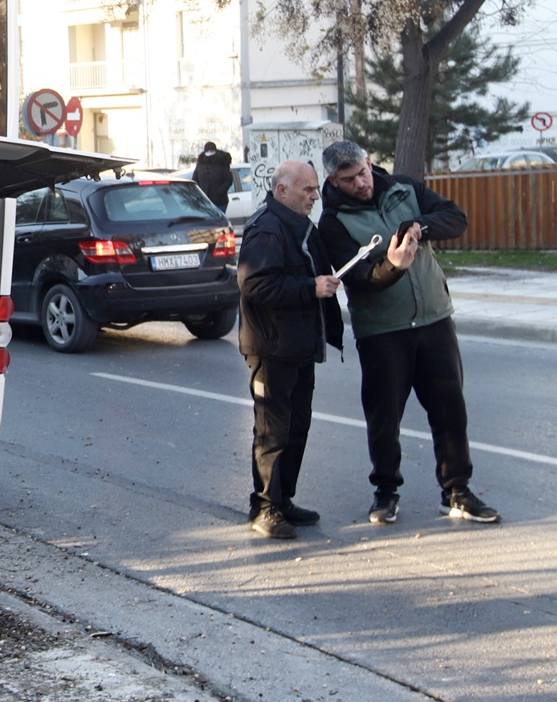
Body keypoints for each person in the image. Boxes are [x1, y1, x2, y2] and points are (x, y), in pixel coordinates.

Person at [317, 140, 499, 525]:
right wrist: (395, 265)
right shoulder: (333, 222)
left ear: (369, 162)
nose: (361, 184)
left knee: (450, 410)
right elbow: (362, 280)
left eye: (363, 173)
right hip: (383, 331)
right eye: (349, 180)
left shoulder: (405, 189)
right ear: (333, 180)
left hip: (434, 319)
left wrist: (421, 226)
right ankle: (385, 492)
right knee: (385, 417)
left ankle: (457, 491)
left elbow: (456, 217)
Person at [237, 160, 343, 539]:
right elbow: (255, 285)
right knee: (273, 432)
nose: (315, 196)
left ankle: (283, 500)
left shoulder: (299, 224)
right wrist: (309, 288)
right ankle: (264, 507)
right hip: (272, 349)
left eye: (315, 189)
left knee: (297, 427)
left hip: (298, 345)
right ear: (282, 191)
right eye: (308, 190)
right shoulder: (267, 228)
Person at [195, 141, 235, 210]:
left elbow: (228, 180)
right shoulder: (201, 163)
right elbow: (195, 179)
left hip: (219, 202)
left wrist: (218, 192)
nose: (209, 153)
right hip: (204, 201)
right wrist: (199, 193)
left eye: (211, 151)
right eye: (208, 151)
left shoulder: (222, 162)